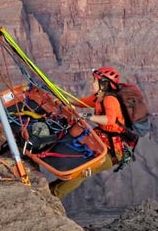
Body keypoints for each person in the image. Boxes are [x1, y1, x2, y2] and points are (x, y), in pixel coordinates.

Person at [48, 66, 130, 199]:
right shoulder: (99, 98)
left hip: (112, 152)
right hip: (101, 143)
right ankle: (51, 189)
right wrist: (60, 96)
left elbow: (109, 120)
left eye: (95, 81)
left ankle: (54, 195)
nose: (92, 83)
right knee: (76, 164)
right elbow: (80, 102)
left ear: (103, 84)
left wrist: (86, 116)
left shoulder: (110, 99)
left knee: (82, 171)